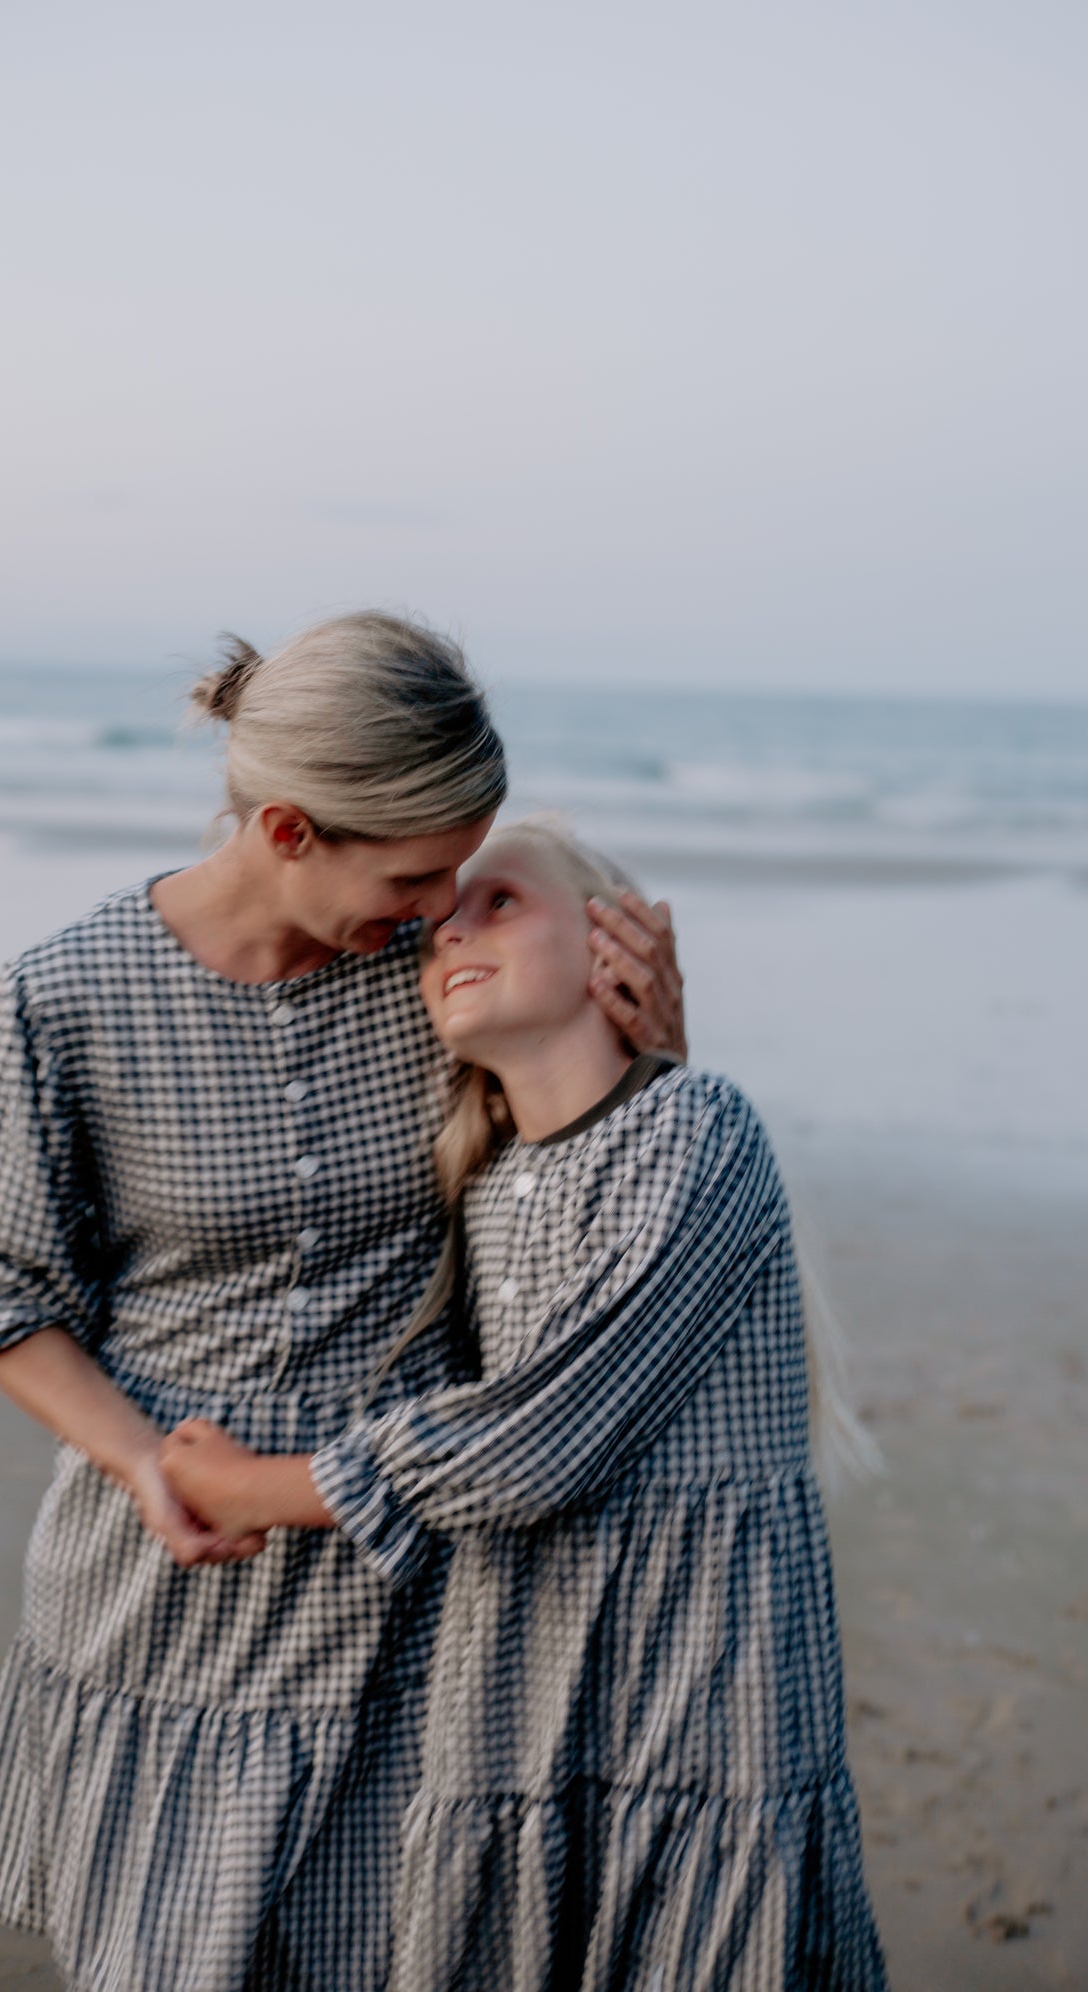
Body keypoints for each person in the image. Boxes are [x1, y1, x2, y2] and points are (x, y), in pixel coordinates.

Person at [0, 619, 684, 1992]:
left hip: (415, 1578)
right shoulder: (63, 998)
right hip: (172, 1579)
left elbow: (586, 1198)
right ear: (285, 827)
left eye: (463, 870)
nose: (444, 908)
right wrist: (144, 1462)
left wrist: (649, 1054)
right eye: (415, 875)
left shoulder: (437, 984)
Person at [164, 817, 887, 1992]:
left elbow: (527, 1441)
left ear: (613, 937)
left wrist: (251, 1485)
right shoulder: (488, 1195)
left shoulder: (701, 1127)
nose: (449, 925)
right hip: (520, 1707)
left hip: (701, 1716)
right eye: (432, 920)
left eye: (496, 901)